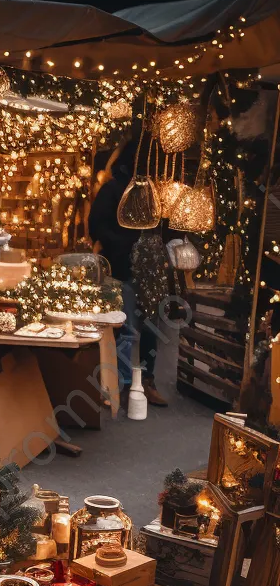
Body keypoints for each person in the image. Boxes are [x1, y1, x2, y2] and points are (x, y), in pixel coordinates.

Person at [88, 139, 168, 407]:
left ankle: (145, 380)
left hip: (150, 268)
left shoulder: (154, 191)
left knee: (150, 328)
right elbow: (97, 225)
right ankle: (121, 384)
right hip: (124, 267)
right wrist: (123, 246)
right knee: (128, 329)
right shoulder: (113, 190)